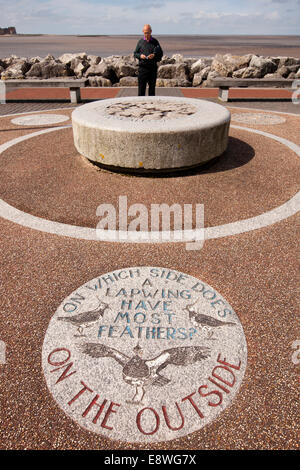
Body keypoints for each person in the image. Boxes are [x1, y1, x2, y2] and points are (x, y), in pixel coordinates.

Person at [134, 24, 163, 96]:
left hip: (152, 69)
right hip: (142, 68)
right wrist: (140, 56)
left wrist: (154, 55)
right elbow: (135, 53)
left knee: (152, 91)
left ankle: (152, 106)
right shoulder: (140, 42)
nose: (146, 34)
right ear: (143, 32)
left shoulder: (155, 42)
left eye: (148, 33)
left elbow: (160, 54)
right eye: (145, 33)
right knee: (141, 91)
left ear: (151, 32)